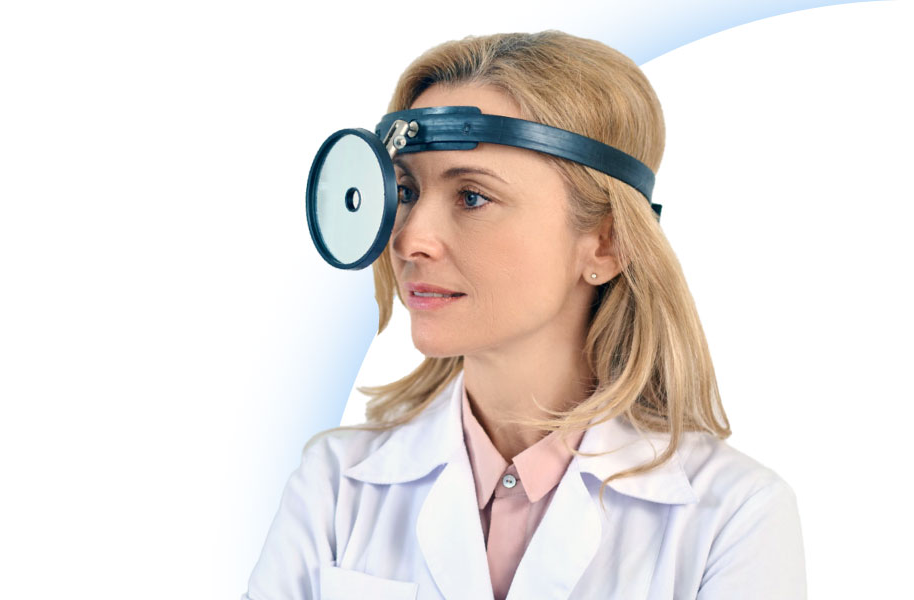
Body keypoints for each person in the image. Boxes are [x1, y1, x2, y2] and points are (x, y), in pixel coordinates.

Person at [244, 30, 806, 600]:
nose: (410, 240)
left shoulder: (733, 519)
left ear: (606, 243)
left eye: (472, 197)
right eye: (407, 192)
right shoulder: (334, 487)